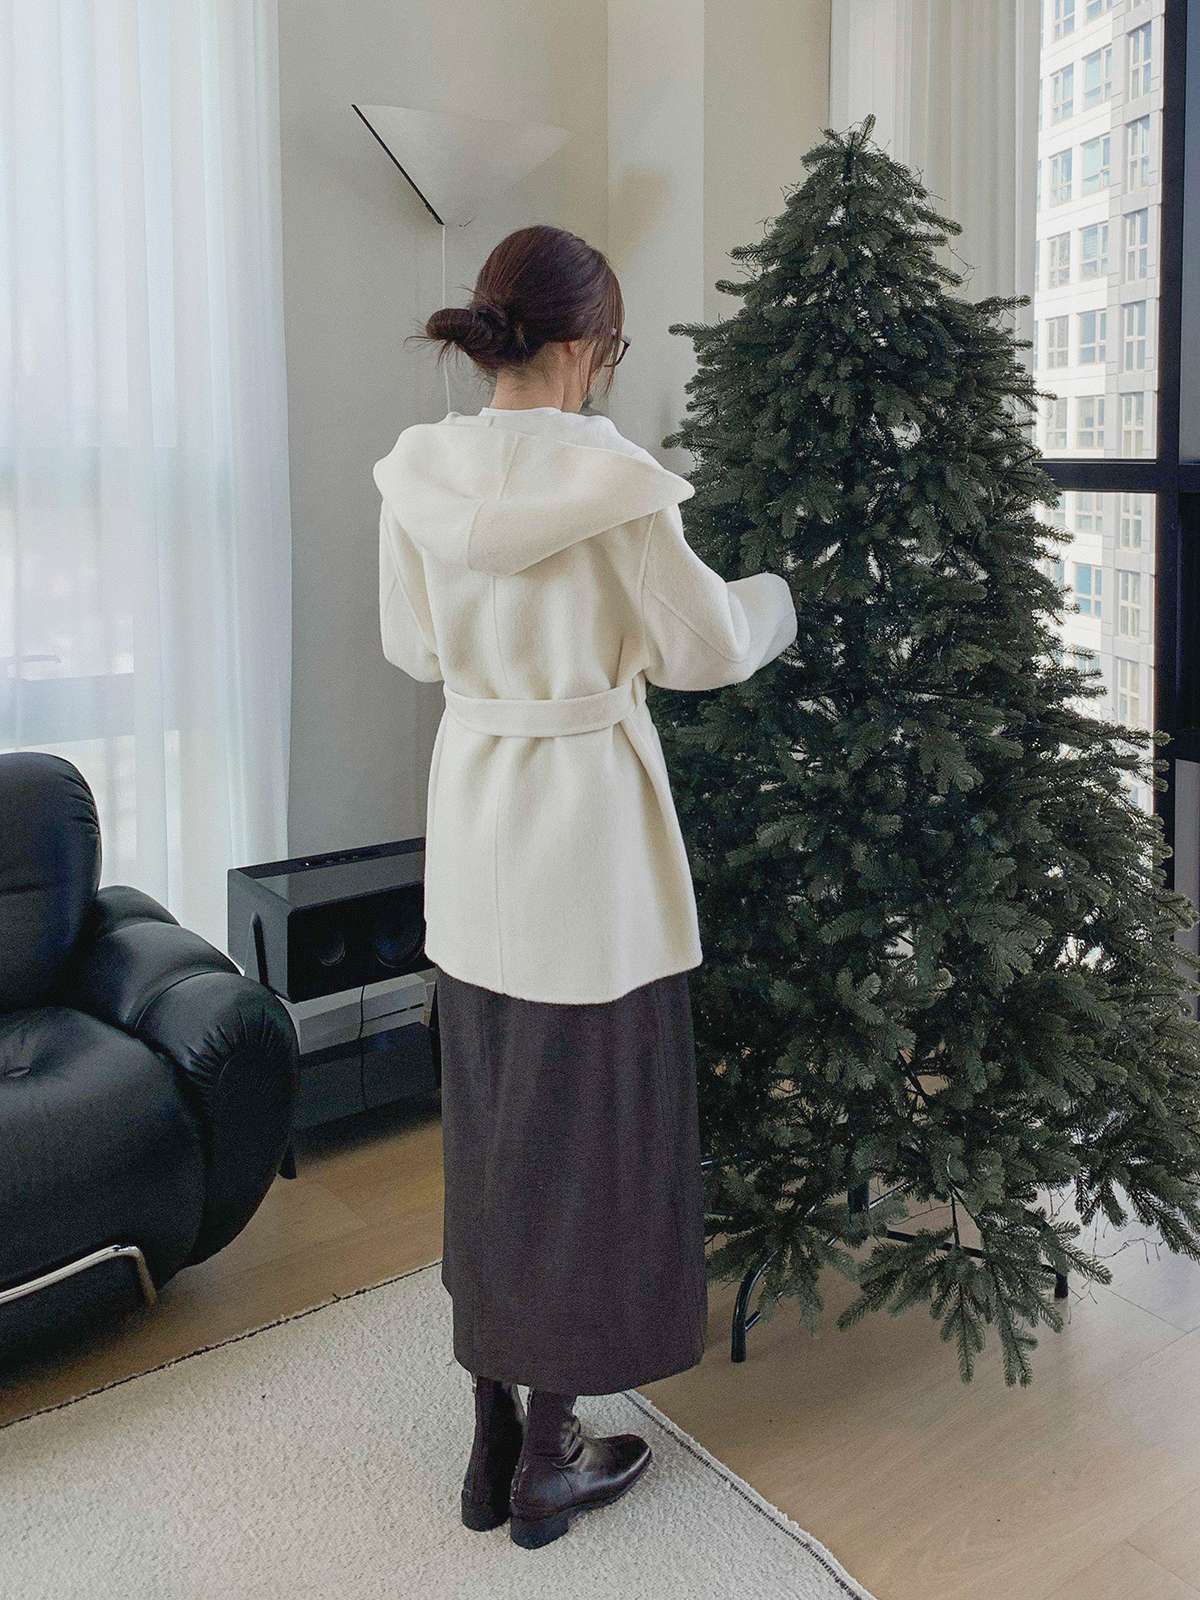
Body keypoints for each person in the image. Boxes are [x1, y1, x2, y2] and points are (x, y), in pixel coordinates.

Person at [374, 223, 797, 1550]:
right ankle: (549, 1455)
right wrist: (780, 598)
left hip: (475, 823)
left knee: (494, 1127)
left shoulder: (417, 474)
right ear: (582, 348)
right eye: (609, 350)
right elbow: (705, 648)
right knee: (591, 1142)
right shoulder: (615, 484)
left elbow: (410, 645)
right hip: (590, 844)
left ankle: (492, 1436)